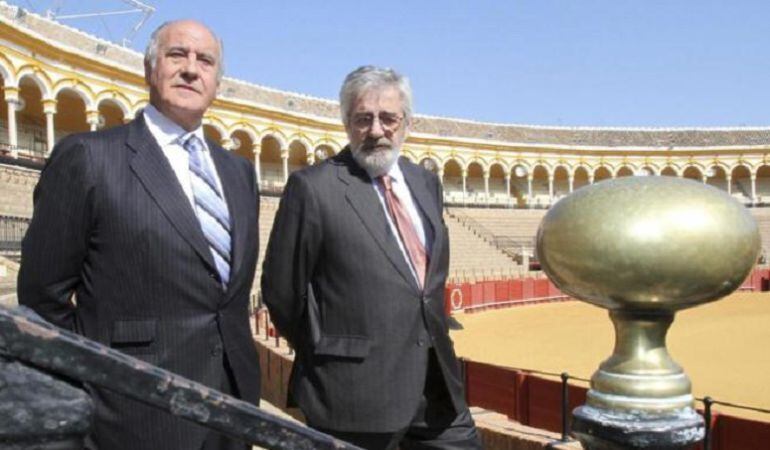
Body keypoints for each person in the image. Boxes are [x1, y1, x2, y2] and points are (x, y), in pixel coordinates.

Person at [18, 20, 260, 450]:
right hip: (131, 413)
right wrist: (99, 384)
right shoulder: (90, 158)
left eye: (204, 60)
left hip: (232, 411)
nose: (191, 68)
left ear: (217, 84)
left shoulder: (238, 172)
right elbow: (42, 298)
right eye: (176, 55)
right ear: (150, 70)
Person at [261, 66, 482, 450]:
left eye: (388, 118)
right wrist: (333, 355)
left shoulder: (425, 183)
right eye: (364, 119)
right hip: (353, 393)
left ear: (407, 123)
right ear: (347, 123)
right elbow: (281, 292)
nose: (377, 130)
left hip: (436, 389)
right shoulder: (313, 188)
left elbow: (427, 285)